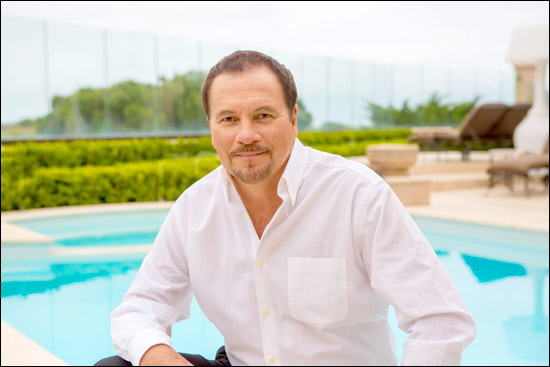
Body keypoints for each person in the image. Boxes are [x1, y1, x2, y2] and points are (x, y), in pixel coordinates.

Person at [95, 50, 475, 366]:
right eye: (229, 119)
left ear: (293, 120)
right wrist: (159, 356)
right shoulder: (195, 208)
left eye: (263, 115)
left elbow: (439, 320)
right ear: (212, 129)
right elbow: (138, 308)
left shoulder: (358, 195)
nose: (246, 135)